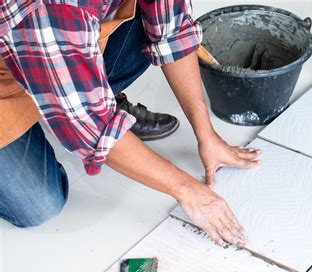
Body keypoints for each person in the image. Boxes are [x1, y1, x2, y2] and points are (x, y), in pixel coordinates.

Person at [0, 0, 262, 246]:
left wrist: (207, 135)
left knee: (142, 16)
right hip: (11, 75)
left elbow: (171, 28)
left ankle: (76, 92)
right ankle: (68, 99)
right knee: (39, 205)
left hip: (51, 50)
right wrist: (188, 190)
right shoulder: (51, 9)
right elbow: (92, 125)